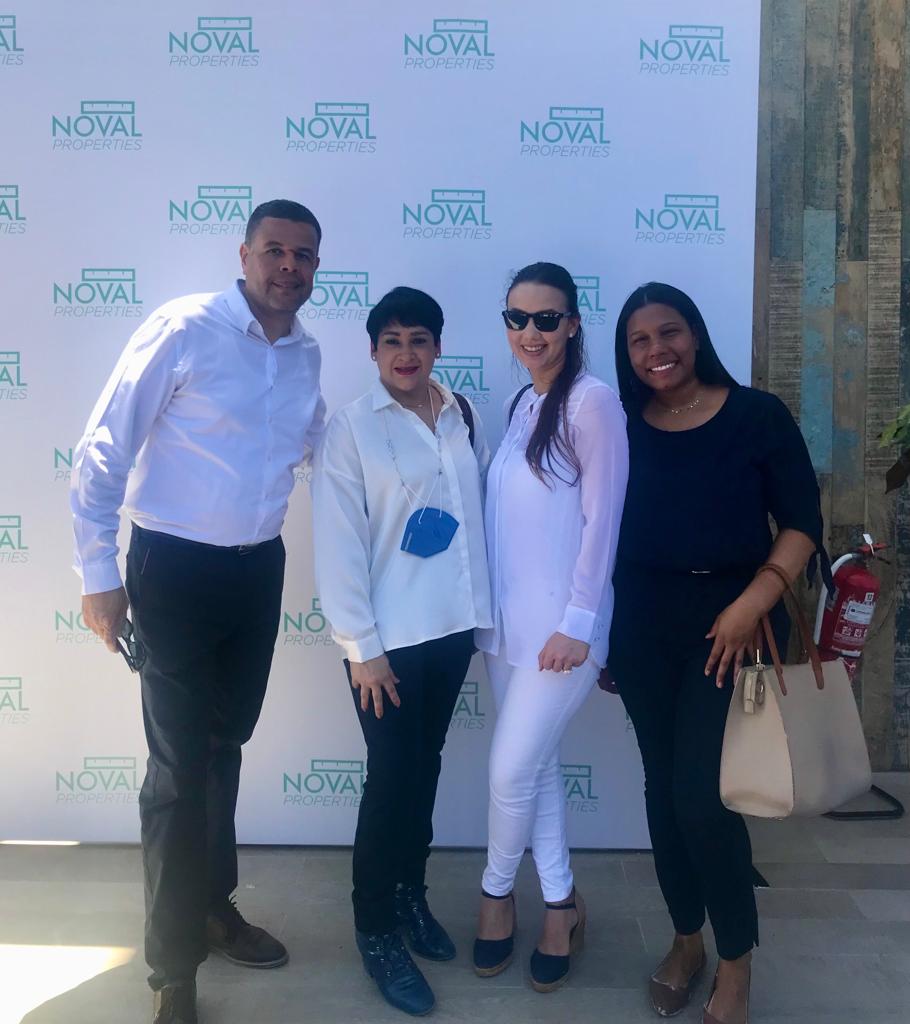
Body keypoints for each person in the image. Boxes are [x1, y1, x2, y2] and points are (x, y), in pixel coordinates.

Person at [70, 199, 326, 1024]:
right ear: (243, 254)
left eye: (304, 256)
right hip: (174, 570)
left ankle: (213, 907)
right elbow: (103, 447)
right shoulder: (184, 328)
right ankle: (171, 971)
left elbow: (321, 447)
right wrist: (98, 573)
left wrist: (418, 418)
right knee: (179, 772)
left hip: (257, 573)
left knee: (224, 747)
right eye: (275, 250)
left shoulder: (307, 353)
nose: (289, 267)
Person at [608, 283, 828, 1024]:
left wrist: (751, 603)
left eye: (669, 332)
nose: (656, 350)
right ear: (626, 354)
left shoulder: (756, 415)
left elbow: (801, 523)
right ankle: (685, 940)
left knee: (703, 800)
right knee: (663, 792)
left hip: (736, 627)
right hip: (642, 627)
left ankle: (736, 960)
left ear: (696, 335)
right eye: (639, 340)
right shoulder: (620, 425)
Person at [312, 286, 492, 1016]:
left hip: (450, 630)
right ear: (373, 351)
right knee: (390, 781)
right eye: (392, 341)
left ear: (438, 347)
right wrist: (361, 648)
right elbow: (338, 543)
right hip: (385, 644)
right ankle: (376, 929)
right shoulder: (351, 428)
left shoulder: (460, 413)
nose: (406, 353)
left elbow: (475, 517)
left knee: (424, 769)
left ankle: (410, 894)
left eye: (419, 339)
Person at [472, 262, 628, 992]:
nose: (529, 333)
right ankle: (561, 904)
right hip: (506, 634)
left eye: (545, 318)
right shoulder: (519, 405)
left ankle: (496, 895)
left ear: (572, 323)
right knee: (535, 771)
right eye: (517, 318)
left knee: (510, 772)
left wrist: (579, 623)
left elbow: (604, 520)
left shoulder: (593, 403)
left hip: (562, 636)